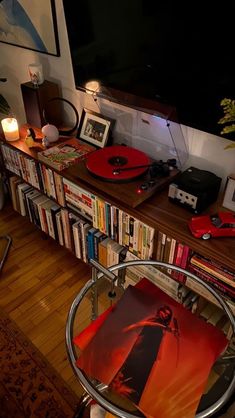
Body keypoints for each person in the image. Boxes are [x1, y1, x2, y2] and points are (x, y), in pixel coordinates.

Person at [110, 305, 180, 404]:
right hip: (137, 355)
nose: (164, 315)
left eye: (167, 315)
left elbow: (159, 343)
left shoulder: (161, 329)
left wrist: (158, 356)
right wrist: (169, 329)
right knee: (121, 379)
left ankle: (127, 403)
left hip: (147, 359)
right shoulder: (153, 322)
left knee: (136, 386)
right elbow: (146, 324)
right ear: (159, 310)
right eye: (164, 312)